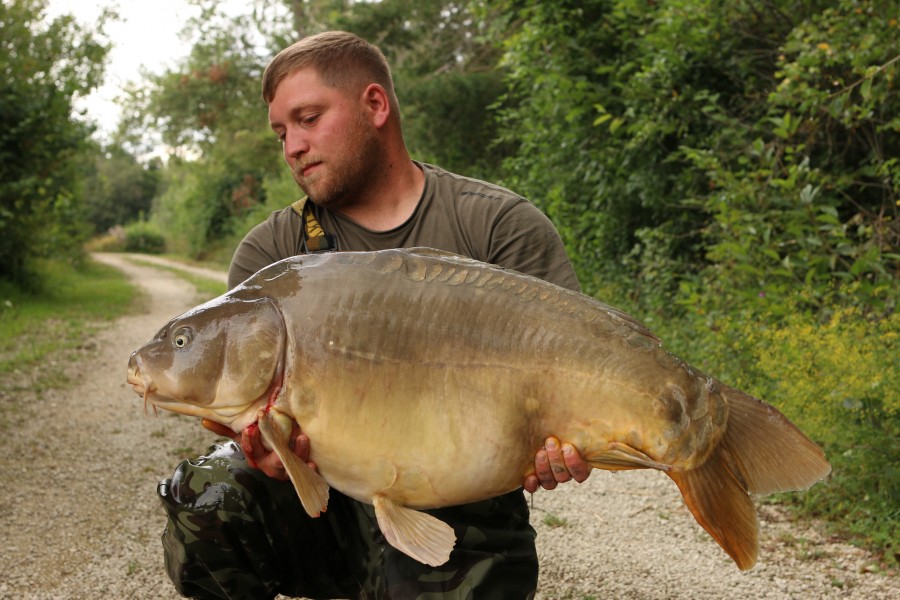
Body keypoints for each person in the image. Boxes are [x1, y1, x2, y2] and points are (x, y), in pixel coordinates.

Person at [158, 31, 590, 600]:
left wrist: (560, 447)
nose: (292, 145)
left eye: (308, 118)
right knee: (207, 493)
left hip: (457, 496)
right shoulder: (273, 256)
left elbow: (576, 372)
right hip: (323, 505)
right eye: (282, 132)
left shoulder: (497, 227)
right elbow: (253, 425)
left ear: (375, 105)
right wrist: (263, 451)